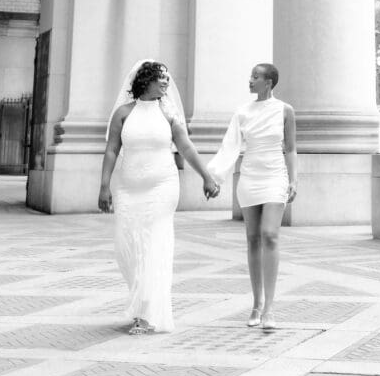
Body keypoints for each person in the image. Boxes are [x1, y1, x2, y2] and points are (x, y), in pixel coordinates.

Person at [98, 58, 219, 334]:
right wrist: (104, 185)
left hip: (162, 187)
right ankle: (142, 301)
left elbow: (186, 148)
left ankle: (146, 312)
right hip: (128, 189)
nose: (166, 82)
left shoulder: (168, 115)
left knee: (154, 245)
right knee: (126, 247)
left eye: (167, 78)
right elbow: (111, 150)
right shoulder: (123, 113)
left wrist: (207, 177)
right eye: (161, 77)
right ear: (145, 80)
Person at [208, 62, 297, 333]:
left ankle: (270, 307)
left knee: (270, 234)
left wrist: (294, 179)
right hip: (249, 178)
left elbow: (291, 148)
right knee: (252, 239)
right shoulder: (242, 112)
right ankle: (256, 302)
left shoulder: (285, 110)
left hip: (275, 177)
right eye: (250, 76)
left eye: (255, 77)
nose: (250, 80)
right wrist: (215, 177)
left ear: (268, 82)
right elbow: (230, 147)